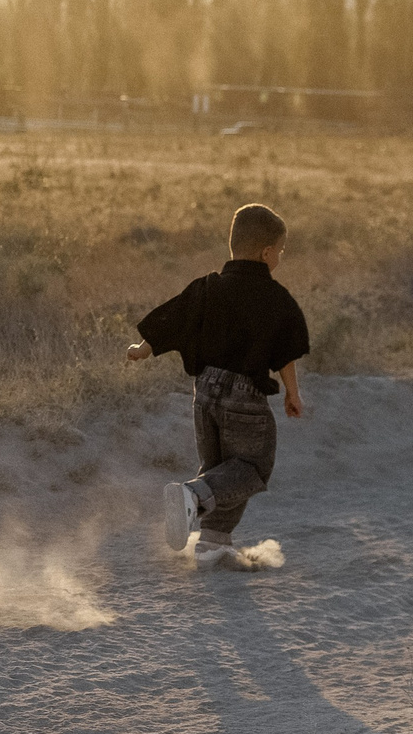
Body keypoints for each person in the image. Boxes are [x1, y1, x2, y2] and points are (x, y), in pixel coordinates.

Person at [126, 202, 309, 565]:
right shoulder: (276, 299)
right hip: (245, 396)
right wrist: (292, 392)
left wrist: (142, 349)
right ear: (267, 252)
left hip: (205, 392)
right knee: (252, 466)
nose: (281, 258)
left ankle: (213, 543)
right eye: (282, 251)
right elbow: (286, 353)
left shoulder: (209, 287)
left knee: (222, 473)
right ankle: (191, 497)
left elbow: (174, 317)